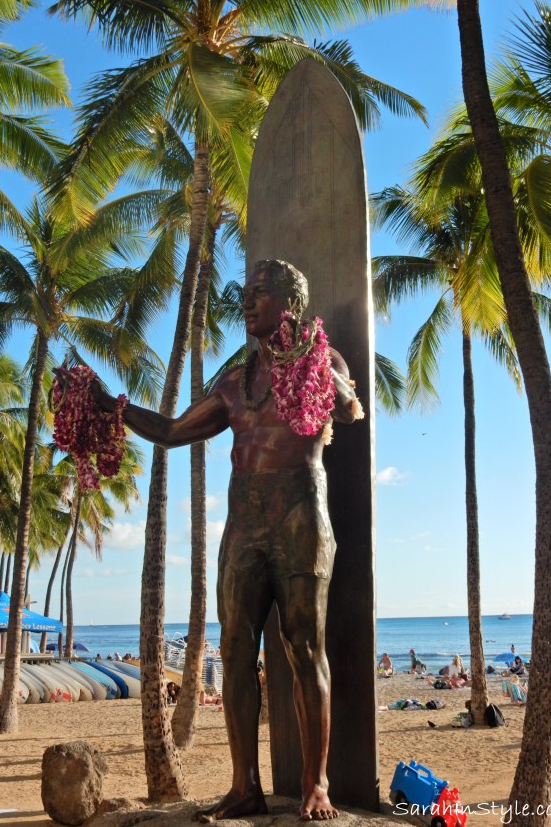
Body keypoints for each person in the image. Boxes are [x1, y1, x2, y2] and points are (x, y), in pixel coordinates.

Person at [66, 259, 363, 821]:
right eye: (246, 294)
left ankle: (315, 785)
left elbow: (351, 411)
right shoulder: (233, 382)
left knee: (305, 650)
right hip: (245, 524)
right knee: (233, 652)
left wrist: (319, 363)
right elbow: (175, 432)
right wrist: (111, 406)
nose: (248, 302)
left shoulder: (321, 362)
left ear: (289, 305)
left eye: (260, 294)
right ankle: (244, 785)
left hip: (301, 515)